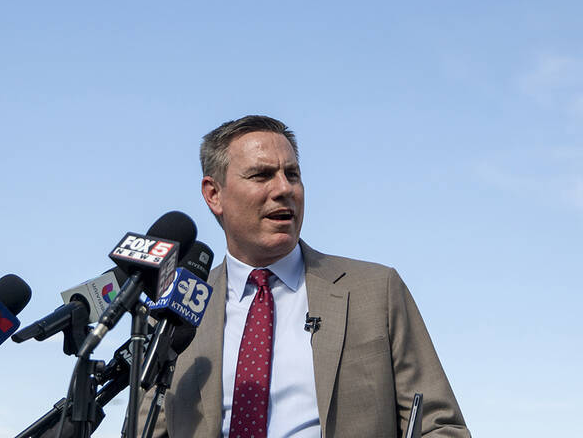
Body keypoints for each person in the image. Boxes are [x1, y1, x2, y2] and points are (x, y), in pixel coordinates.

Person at [152, 115, 470, 438]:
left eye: (292, 174)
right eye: (262, 175)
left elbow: (441, 426)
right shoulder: (176, 312)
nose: (284, 188)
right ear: (214, 194)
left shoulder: (376, 291)